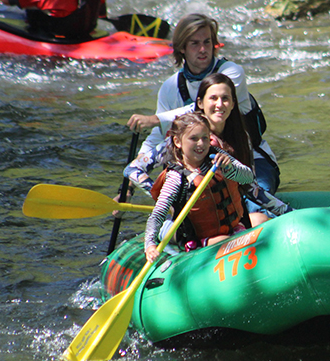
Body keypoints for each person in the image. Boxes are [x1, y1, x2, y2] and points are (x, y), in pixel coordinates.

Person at [124, 13, 280, 199]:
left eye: (207, 42)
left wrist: (156, 119)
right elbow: (157, 136)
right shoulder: (170, 87)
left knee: (252, 204)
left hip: (251, 161)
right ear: (182, 48)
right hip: (205, 167)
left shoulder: (231, 73)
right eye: (195, 44)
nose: (203, 49)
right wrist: (129, 186)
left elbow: (203, 111)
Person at [126, 73, 291, 225]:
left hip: (225, 218)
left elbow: (251, 188)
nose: (219, 104)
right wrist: (163, 200)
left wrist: (289, 213)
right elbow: (133, 169)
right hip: (187, 223)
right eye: (213, 98)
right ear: (200, 103)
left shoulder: (242, 138)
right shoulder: (185, 138)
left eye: (225, 98)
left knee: (260, 219)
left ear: (233, 103)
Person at [144, 112, 256, 262]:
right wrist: (150, 245)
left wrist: (231, 169)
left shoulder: (218, 157)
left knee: (260, 220)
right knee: (226, 240)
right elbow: (158, 213)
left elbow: (248, 177)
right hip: (200, 240)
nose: (201, 144)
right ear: (177, 141)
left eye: (205, 138)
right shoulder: (176, 178)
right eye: (194, 139)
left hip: (235, 227)